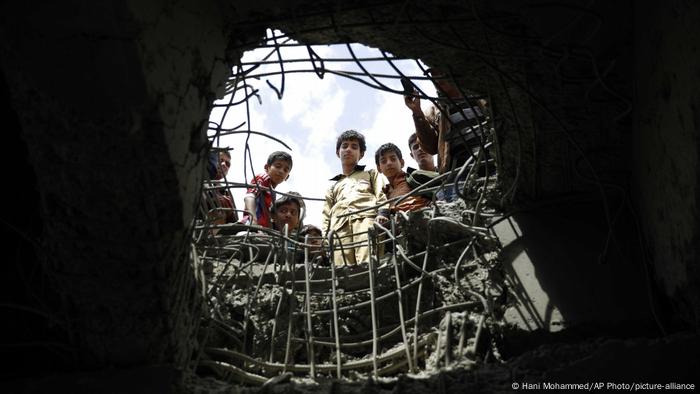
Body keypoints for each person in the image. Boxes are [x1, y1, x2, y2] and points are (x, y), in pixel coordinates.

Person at [404, 68, 488, 201]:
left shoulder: (479, 96)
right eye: (433, 75)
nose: (437, 78)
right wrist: (417, 111)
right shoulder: (434, 110)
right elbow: (430, 147)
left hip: (491, 158)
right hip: (460, 169)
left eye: (440, 73)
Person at [322, 130, 389, 266]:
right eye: (344, 146)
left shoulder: (370, 174)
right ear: (338, 152)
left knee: (369, 263)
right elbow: (326, 215)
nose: (348, 149)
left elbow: (381, 194)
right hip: (339, 229)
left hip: (366, 221)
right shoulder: (333, 187)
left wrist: (382, 213)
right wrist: (325, 239)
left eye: (354, 147)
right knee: (341, 269)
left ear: (361, 154)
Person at [375, 143, 431, 213]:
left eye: (393, 159)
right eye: (383, 161)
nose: (389, 163)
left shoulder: (414, 177)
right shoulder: (383, 193)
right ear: (379, 168)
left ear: (402, 163)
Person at [241, 151, 293, 228]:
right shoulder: (263, 178)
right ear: (266, 167)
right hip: (250, 224)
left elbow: (268, 215)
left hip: (262, 229)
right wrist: (253, 220)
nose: (281, 171)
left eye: (285, 170)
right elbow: (249, 197)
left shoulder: (272, 193)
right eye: (278, 166)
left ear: (287, 177)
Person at [203, 150, 238, 228]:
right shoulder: (200, 180)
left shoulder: (226, 192)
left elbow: (233, 221)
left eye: (227, 164)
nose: (224, 165)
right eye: (220, 160)